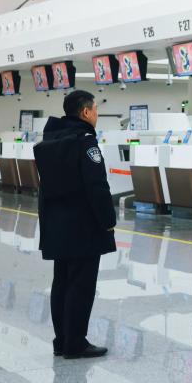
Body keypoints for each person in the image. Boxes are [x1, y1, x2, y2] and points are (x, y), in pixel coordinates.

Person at [34, 90, 116, 359]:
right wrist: (108, 220)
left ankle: (62, 341)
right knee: (81, 285)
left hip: (56, 225)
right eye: (95, 109)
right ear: (85, 112)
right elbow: (96, 185)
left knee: (61, 283)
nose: (97, 114)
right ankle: (76, 343)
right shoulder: (85, 142)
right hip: (83, 227)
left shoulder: (52, 139)